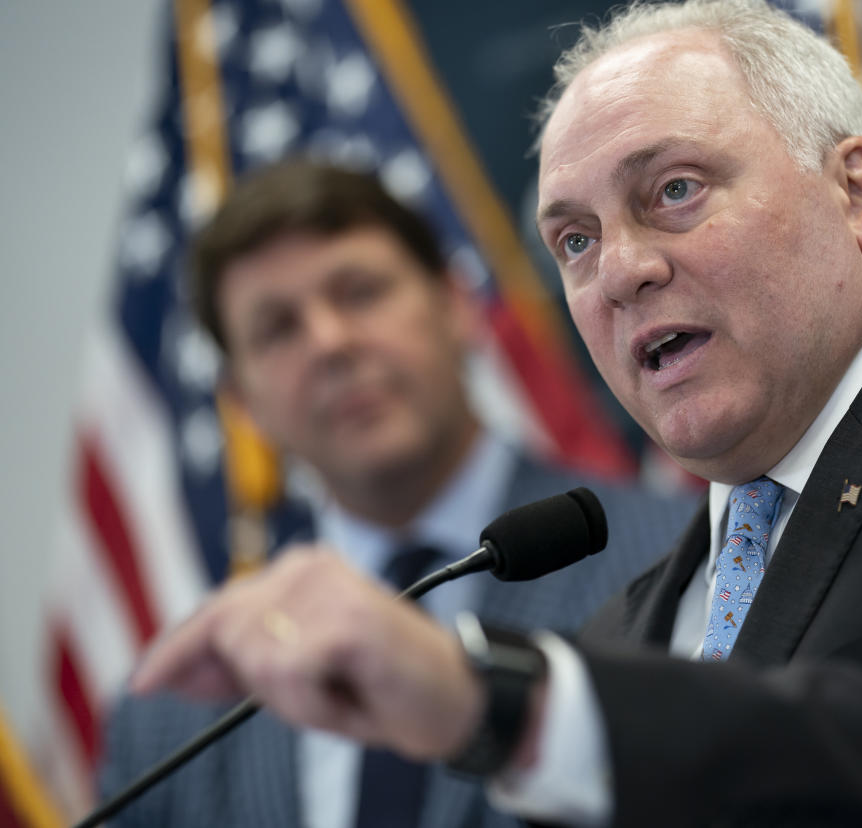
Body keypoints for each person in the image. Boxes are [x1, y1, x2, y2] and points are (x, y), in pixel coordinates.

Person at [128, 2, 862, 826]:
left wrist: (499, 701)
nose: (618, 271)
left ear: (857, 191)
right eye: (572, 240)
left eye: (673, 191)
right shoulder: (633, 622)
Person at [97, 159, 696, 828]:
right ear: (243, 405)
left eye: (359, 293)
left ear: (456, 307)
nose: (330, 343)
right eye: (277, 328)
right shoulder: (171, 715)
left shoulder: (684, 563)